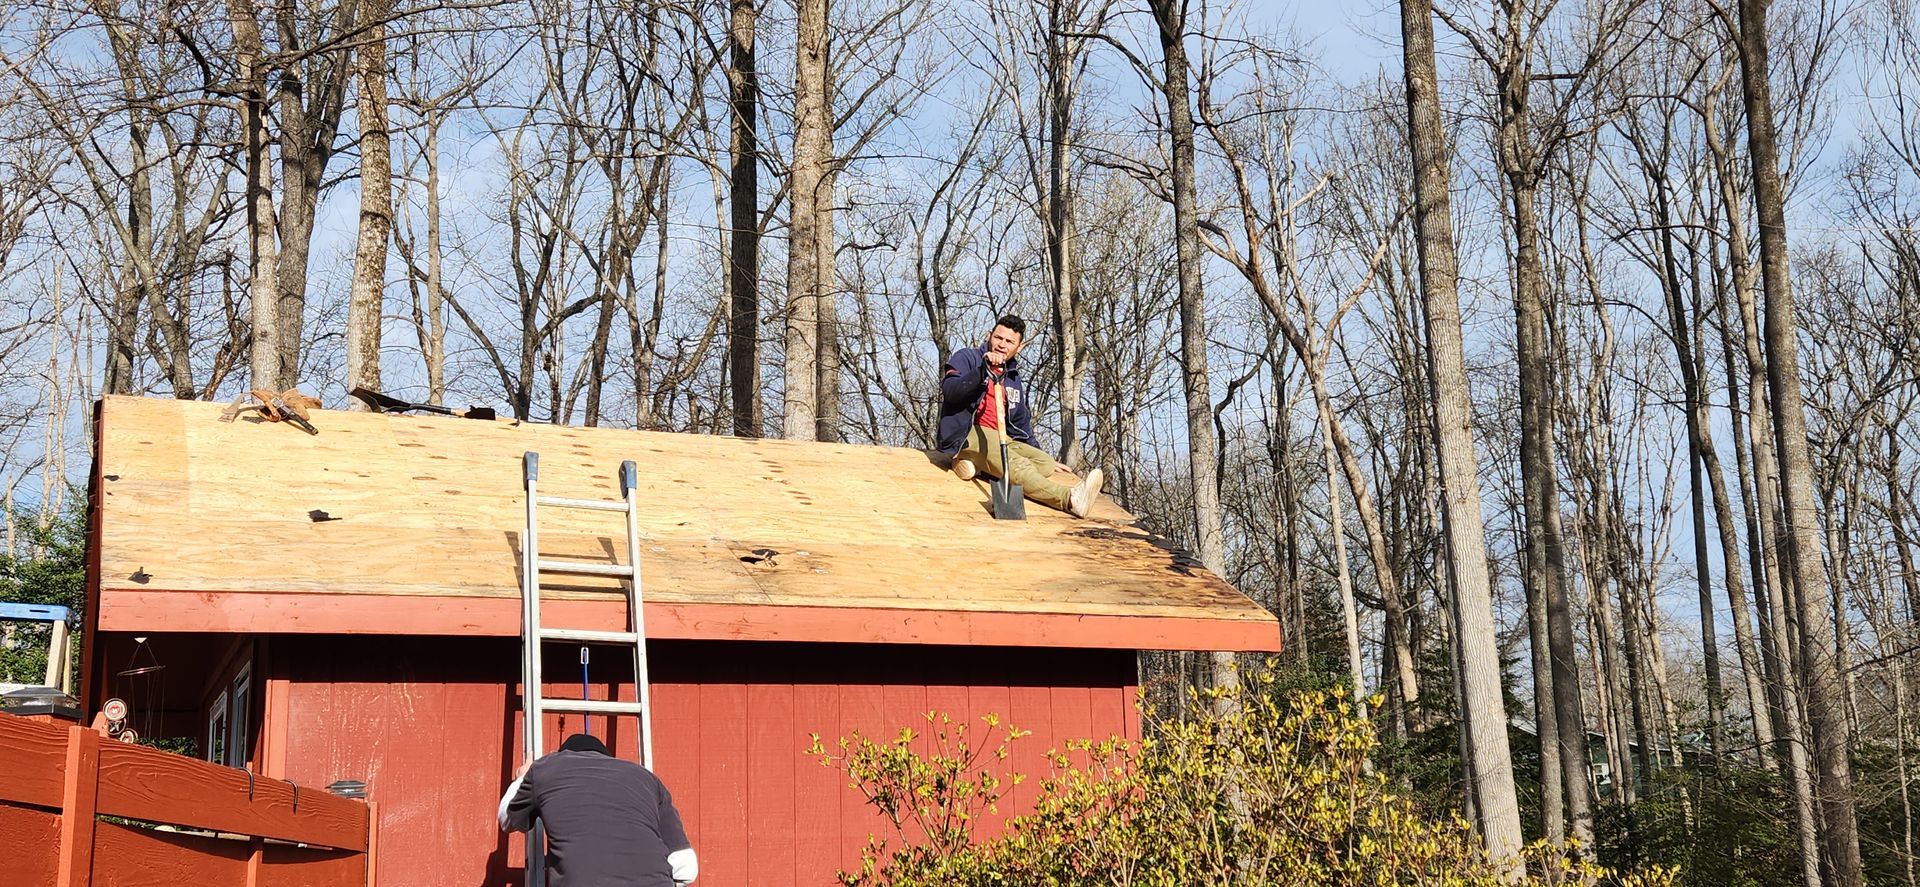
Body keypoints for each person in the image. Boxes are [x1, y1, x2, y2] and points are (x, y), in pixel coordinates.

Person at [938, 314, 1104, 517]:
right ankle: (1070, 499)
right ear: (989, 336)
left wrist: (1041, 454)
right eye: (998, 338)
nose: (1001, 345)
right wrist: (982, 370)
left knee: (1044, 464)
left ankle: (977, 465)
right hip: (965, 433)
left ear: (1019, 347)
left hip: (1000, 437)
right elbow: (951, 391)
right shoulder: (967, 358)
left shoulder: (1013, 377)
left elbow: (1020, 422)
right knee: (1018, 465)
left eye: (1009, 341)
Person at [499, 734, 698, 886]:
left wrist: (521, 778)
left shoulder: (544, 769)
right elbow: (686, 867)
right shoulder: (647, 778)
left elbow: (507, 819)